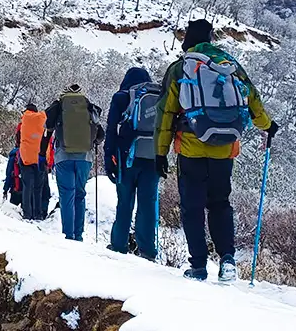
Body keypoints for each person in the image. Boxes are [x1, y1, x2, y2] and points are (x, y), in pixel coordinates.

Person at [157, 19, 278, 283]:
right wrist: (267, 126)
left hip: (191, 148)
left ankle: (198, 266)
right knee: (220, 203)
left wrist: (160, 152)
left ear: (188, 40)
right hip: (225, 148)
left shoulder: (181, 68)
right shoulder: (229, 65)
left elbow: (165, 112)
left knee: (192, 207)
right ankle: (228, 261)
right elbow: (252, 98)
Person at [104, 67, 160, 260]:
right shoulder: (158, 95)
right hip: (153, 158)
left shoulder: (121, 97)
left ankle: (119, 246)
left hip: (126, 158)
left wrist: (108, 157)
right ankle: (148, 251)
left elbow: (111, 129)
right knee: (148, 204)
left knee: (125, 202)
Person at [43, 84, 104, 241]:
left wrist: (42, 153)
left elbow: (48, 126)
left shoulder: (60, 105)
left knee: (66, 195)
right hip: (84, 158)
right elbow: (100, 135)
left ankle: (68, 235)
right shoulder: (88, 106)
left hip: (63, 157)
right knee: (80, 195)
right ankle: (78, 235)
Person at [16, 104, 48, 221]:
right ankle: (38, 214)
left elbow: (18, 139)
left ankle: (27, 213)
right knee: (38, 188)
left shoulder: (24, 120)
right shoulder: (42, 118)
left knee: (27, 186)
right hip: (40, 157)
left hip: (26, 158)